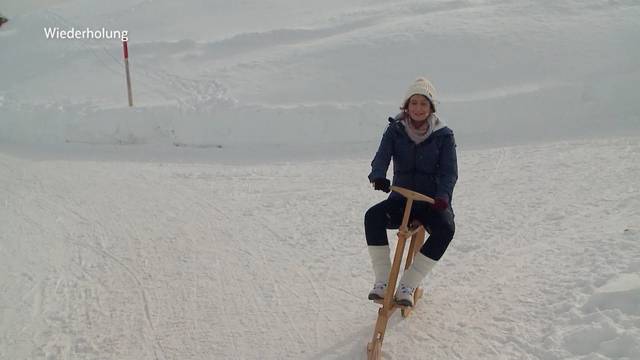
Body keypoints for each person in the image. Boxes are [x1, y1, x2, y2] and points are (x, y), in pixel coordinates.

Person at [364, 77, 458, 307]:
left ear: (431, 107)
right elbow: (382, 156)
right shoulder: (395, 130)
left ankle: (409, 283)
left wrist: (443, 197)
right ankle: (383, 280)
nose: (418, 108)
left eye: (423, 104)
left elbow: (449, 172)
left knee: (445, 229)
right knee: (372, 217)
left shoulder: (444, 135)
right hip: (401, 198)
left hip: (431, 202)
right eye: (413, 103)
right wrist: (378, 176)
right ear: (406, 105)